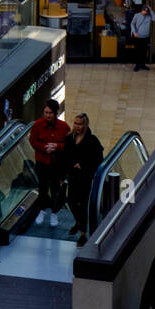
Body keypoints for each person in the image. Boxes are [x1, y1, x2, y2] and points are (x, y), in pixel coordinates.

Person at [61, 112, 103, 247]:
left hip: (85, 178)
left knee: (83, 205)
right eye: (76, 123)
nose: (77, 126)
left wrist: (83, 165)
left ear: (85, 125)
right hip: (73, 177)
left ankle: (83, 234)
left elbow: (98, 160)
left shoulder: (92, 141)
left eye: (80, 124)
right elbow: (64, 156)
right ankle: (79, 222)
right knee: (71, 202)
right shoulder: (69, 139)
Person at [29, 99, 70, 227]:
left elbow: (69, 145)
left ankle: (54, 213)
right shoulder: (37, 125)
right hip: (42, 162)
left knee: (55, 189)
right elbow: (33, 141)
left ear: (55, 113)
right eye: (45, 112)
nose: (47, 115)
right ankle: (42, 210)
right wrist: (44, 147)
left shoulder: (64, 127)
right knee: (42, 188)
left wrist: (57, 146)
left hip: (57, 164)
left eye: (50, 113)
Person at [131, 2, 155, 71]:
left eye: (146, 11)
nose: (145, 12)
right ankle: (137, 65)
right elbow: (132, 24)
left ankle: (143, 64)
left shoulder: (149, 16)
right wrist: (134, 32)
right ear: (141, 10)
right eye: (144, 10)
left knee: (144, 51)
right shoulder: (137, 15)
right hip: (138, 36)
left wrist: (151, 10)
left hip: (146, 37)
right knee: (138, 51)